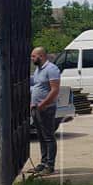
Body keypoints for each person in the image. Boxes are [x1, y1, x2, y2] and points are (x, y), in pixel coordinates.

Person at [29, 47, 60, 175]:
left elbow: (54, 90)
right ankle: (43, 163)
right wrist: (33, 103)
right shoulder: (38, 69)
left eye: (33, 56)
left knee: (48, 137)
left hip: (46, 108)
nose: (32, 59)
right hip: (36, 108)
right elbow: (37, 87)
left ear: (41, 56)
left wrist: (43, 103)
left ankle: (50, 165)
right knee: (41, 136)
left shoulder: (51, 69)